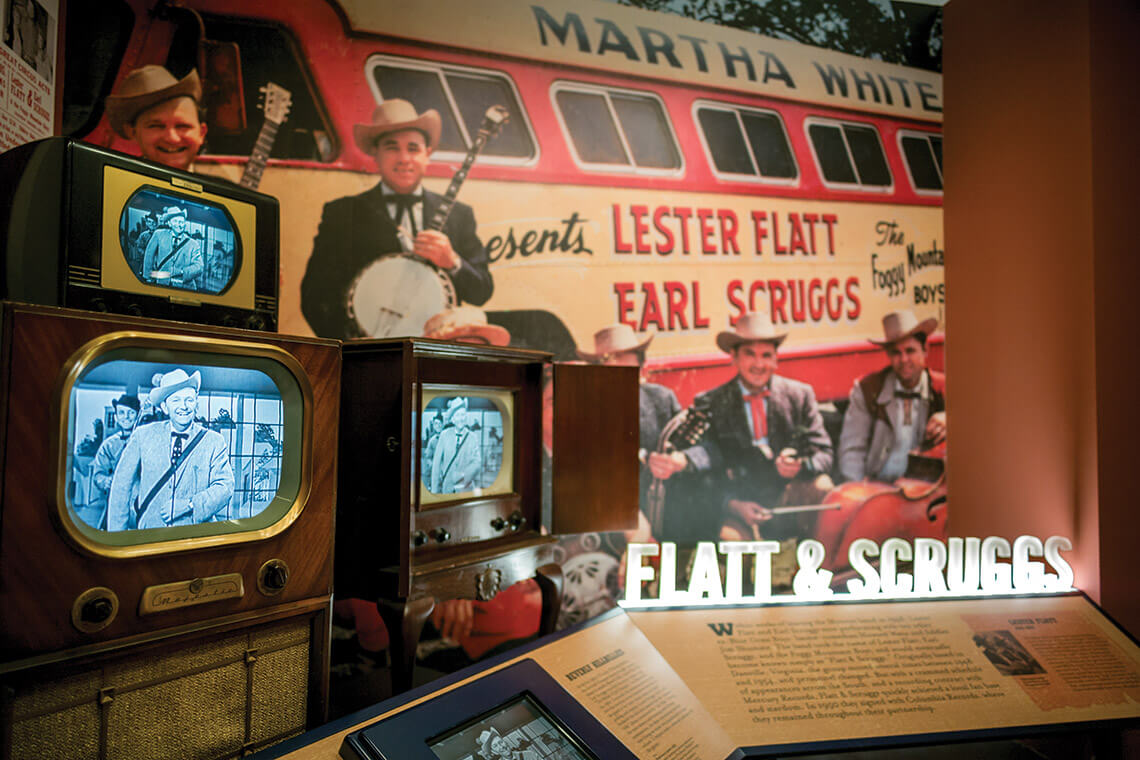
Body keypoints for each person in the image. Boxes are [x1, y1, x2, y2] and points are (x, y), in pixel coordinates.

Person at [300, 99, 494, 339]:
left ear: (427, 155)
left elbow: (482, 291)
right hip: (365, 356)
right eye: (392, 147)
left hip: (437, 354)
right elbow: (313, 296)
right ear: (376, 155)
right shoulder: (343, 213)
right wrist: (350, 342)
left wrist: (452, 261)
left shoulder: (459, 215)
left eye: (413, 148)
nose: (404, 158)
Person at [665, 311, 834, 542]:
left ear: (776, 359)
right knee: (732, 543)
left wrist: (800, 466)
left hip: (787, 497)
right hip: (740, 504)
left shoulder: (799, 395)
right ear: (733, 357)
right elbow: (703, 474)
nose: (758, 364)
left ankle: (821, 571)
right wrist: (733, 505)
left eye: (766, 355)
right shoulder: (712, 402)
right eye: (749, 354)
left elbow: (825, 454)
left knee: (823, 486)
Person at [578, 323, 681, 540]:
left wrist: (678, 459)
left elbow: (687, 446)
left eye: (627, 372)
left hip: (662, 504)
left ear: (642, 370)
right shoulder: (581, 408)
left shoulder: (662, 399)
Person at [106, 369, 234, 531]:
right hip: (150, 534)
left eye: (189, 400)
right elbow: (121, 486)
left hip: (196, 537)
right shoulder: (142, 435)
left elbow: (225, 487)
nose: (184, 406)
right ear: (164, 407)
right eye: (176, 400)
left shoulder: (214, 441)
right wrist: (118, 537)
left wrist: (190, 504)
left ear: (196, 404)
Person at [837, 309, 946, 483]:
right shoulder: (868, 389)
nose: (903, 360)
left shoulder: (944, 389)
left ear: (925, 350)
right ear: (888, 355)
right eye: (896, 353)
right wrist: (859, 492)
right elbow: (852, 450)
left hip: (926, 491)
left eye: (910, 351)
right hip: (878, 489)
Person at [104, 65, 208, 173]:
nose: (172, 138)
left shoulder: (220, 186)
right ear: (133, 132)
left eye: (182, 126)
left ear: (201, 133)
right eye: (156, 126)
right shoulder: (117, 182)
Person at [83, 394, 140, 529]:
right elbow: (98, 475)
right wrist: (105, 481)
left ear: (138, 415)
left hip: (142, 502)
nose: (126, 417)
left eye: (131, 413)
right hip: (116, 502)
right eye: (121, 412)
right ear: (116, 417)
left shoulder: (147, 441)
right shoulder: (109, 445)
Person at [142, 206, 204, 289]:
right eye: (175, 221)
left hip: (185, 287)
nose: (179, 225)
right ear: (169, 223)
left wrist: (182, 271)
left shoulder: (193, 244)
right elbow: (149, 255)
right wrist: (148, 277)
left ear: (185, 224)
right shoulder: (159, 235)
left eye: (181, 222)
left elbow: (199, 267)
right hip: (161, 284)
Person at [431, 397, 481, 494]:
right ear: (452, 419)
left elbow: (477, 463)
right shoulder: (444, 435)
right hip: (447, 489)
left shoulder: (472, 437)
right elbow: (436, 465)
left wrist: (463, 476)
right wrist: (434, 491)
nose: (461, 419)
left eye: (463, 415)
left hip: (466, 490)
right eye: (457, 415)